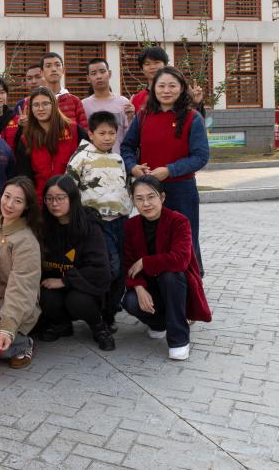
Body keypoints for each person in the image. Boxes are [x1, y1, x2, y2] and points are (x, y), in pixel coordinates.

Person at [121, 66, 209, 275]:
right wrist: (133, 167)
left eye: (172, 86)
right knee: (152, 238)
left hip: (181, 190)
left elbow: (201, 156)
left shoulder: (193, 117)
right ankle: (155, 280)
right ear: (153, 88)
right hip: (148, 189)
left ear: (181, 88)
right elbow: (127, 147)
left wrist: (170, 170)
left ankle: (191, 281)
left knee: (184, 239)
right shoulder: (143, 116)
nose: (166, 91)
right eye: (161, 86)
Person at [122, 175, 211, 361]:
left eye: (151, 197)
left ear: (162, 197)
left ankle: (179, 338)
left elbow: (181, 260)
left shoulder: (179, 221)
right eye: (139, 199)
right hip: (149, 285)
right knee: (130, 301)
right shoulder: (131, 225)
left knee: (170, 275)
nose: (146, 203)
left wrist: (145, 262)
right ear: (133, 201)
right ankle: (159, 323)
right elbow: (128, 263)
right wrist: (138, 287)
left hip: (177, 285)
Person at [66, 111, 131, 329]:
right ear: (91, 134)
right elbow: (69, 190)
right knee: (110, 267)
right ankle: (101, 310)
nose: (107, 138)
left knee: (121, 266)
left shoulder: (118, 159)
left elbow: (124, 188)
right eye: (102, 133)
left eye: (112, 133)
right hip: (96, 224)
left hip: (120, 222)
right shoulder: (81, 158)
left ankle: (111, 310)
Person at [36, 175, 114, 351]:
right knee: (45, 295)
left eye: (60, 198)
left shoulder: (89, 225)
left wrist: (65, 281)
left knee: (76, 300)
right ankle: (62, 325)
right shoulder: (43, 226)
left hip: (85, 287)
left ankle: (99, 327)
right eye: (49, 198)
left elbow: (100, 269)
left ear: (72, 197)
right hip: (55, 284)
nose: (54, 204)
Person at [0, 177, 42, 369]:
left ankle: (21, 344)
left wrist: (7, 327)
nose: (9, 204)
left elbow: (21, 289)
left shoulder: (26, 242)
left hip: (14, 307)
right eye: (7, 196)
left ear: (26, 206)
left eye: (18, 201)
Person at [10, 88, 88, 199]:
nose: (40, 108)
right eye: (36, 105)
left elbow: (88, 162)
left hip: (71, 198)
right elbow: (25, 176)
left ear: (54, 105)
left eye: (45, 104)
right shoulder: (26, 138)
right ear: (31, 108)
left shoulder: (74, 130)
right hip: (41, 200)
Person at [82, 58, 132, 151]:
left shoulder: (123, 102)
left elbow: (130, 136)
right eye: (93, 73)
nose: (99, 76)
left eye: (102, 72)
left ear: (109, 74)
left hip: (119, 157)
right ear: (88, 78)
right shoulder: (83, 105)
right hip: (92, 158)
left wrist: (131, 118)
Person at [41, 52, 88, 129]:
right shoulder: (33, 101)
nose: (53, 69)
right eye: (48, 66)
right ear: (42, 72)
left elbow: (84, 130)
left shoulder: (75, 101)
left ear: (63, 70)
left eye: (57, 65)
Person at [129, 46, 169, 113]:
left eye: (156, 62)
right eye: (147, 64)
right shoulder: (136, 99)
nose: (152, 67)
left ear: (165, 65)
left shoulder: (174, 94)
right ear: (142, 70)